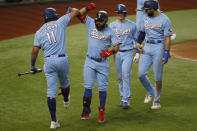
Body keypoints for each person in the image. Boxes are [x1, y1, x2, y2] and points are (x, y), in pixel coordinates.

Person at [30, 4, 95, 129]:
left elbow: (35, 50)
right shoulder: (60, 21)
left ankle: (53, 122)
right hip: (62, 60)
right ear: (55, 16)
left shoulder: (39, 32)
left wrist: (32, 66)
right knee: (65, 83)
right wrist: (72, 10)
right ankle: (66, 99)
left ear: (44, 18)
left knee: (51, 92)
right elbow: (76, 12)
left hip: (49, 63)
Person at [77, 10, 121, 122]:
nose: (98, 23)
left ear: (106, 21)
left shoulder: (111, 31)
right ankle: (86, 111)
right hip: (90, 61)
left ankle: (102, 111)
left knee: (102, 89)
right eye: (97, 21)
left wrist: (110, 52)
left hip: (102, 64)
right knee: (88, 86)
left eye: (100, 21)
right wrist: (87, 8)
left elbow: (117, 46)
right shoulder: (91, 22)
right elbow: (78, 14)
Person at [135, 0, 172, 109]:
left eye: (148, 9)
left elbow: (167, 38)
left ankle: (157, 99)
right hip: (147, 47)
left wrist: (166, 53)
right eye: (145, 9)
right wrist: (138, 43)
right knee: (141, 74)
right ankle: (150, 91)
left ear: (154, 8)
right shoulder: (145, 17)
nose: (145, 11)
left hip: (159, 48)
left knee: (158, 76)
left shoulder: (165, 20)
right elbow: (142, 32)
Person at [109, 4, 138, 109]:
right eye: (118, 12)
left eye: (121, 12)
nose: (119, 14)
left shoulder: (132, 25)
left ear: (125, 13)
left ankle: (126, 99)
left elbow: (136, 40)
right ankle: (122, 97)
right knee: (120, 77)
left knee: (126, 75)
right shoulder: (111, 26)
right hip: (117, 53)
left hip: (128, 52)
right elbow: (109, 40)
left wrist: (138, 51)